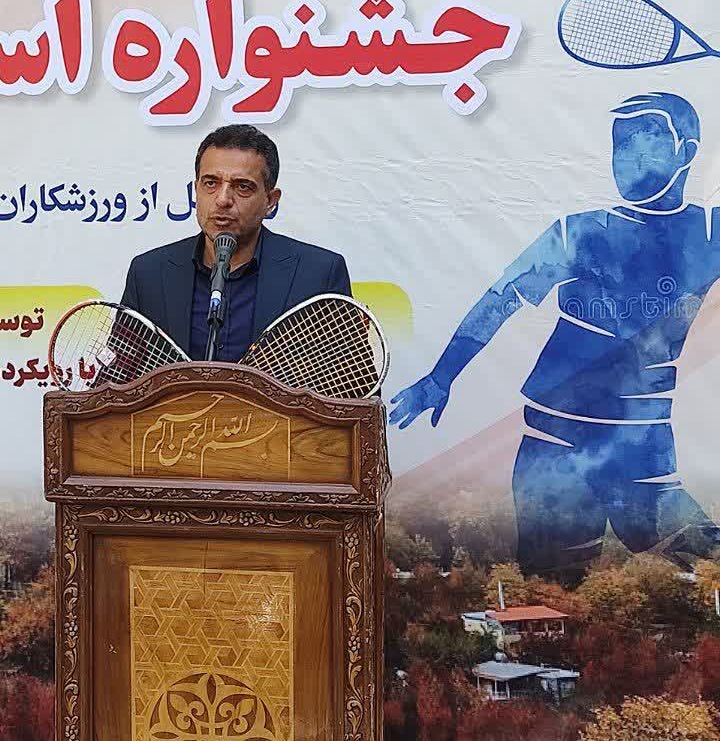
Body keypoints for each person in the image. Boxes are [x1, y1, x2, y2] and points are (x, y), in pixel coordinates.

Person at [390, 93, 720, 576]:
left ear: (686, 153)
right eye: (620, 144)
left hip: (644, 449)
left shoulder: (710, 233)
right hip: (556, 446)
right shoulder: (579, 232)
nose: (628, 157)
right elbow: (499, 301)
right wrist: (441, 378)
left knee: (702, 565)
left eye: (647, 141)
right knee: (553, 593)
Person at [119, 125, 352, 362]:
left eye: (242, 187)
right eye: (211, 183)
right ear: (196, 190)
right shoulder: (149, 274)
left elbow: (352, 381)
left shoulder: (319, 275)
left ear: (271, 201)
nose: (222, 200)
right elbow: (118, 376)